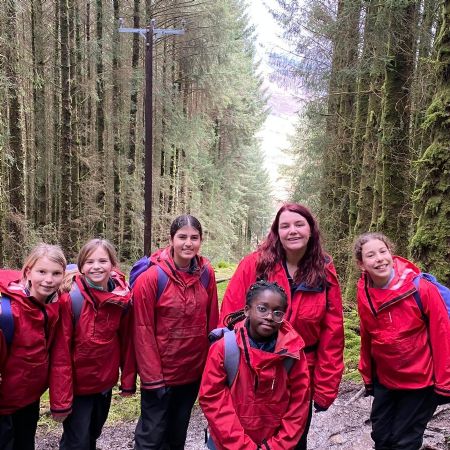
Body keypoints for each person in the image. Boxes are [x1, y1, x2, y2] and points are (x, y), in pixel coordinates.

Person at [219, 202, 344, 449]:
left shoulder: (324, 271)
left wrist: (326, 386)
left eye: (299, 224)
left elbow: (333, 332)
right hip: (253, 373)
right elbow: (229, 319)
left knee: (293, 439)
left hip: (300, 375)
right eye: (285, 226)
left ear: (311, 230)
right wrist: (227, 371)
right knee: (247, 438)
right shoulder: (255, 265)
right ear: (277, 232)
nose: (292, 231)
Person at [354, 232, 450, 450]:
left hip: (420, 381)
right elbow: (368, 335)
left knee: (405, 441)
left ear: (391, 253)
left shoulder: (421, 288)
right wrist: (367, 374)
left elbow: (442, 335)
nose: (379, 259)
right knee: (381, 435)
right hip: (385, 379)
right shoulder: (364, 291)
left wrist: (445, 383)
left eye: (383, 251)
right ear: (361, 264)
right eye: (371, 255)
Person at [133, 214, 219, 450]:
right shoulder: (151, 278)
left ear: (201, 240)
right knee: (151, 437)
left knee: (177, 435)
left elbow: (212, 323)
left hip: (191, 374)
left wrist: (210, 370)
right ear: (171, 240)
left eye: (194, 238)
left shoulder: (206, 274)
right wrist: (152, 378)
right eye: (182, 237)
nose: (188, 243)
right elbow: (142, 331)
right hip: (160, 376)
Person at [199, 280, 310, 450]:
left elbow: (299, 405)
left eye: (277, 312)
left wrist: (275, 446)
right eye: (262, 309)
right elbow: (213, 400)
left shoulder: (293, 353)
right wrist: (244, 446)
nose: (269, 317)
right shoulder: (225, 349)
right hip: (228, 444)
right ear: (247, 310)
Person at [53, 239, 136, 450]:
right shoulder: (71, 299)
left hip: (104, 384)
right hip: (77, 388)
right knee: (76, 442)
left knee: (92, 434)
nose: (96, 266)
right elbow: (61, 353)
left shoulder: (122, 299)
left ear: (112, 264)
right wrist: (61, 401)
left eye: (102, 261)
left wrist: (127, 381)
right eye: (89, 262)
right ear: (81, 266)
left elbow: (126, 342)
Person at [0, 243, 67, 450]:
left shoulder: (56, 305)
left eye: (56, 273)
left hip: (29, 399)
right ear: (28, 272)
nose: (49, 280)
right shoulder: (7, 311)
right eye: (42, 272)